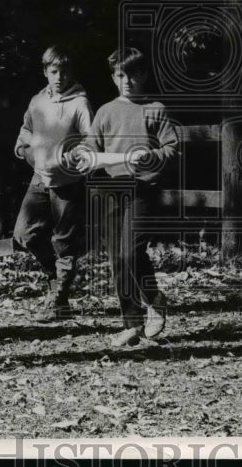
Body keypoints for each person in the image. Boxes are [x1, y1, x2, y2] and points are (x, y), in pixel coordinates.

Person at [74, 48, 179, 347]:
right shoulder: (106, 111)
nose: (128, 81)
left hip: (142, 190)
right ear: (113, 78)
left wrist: (152, 156)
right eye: (121, 75)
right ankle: (131, 324)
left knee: (132, 251)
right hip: (110, 189)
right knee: (118, 259)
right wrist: (82, 153)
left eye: (133, 74)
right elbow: (91, 144)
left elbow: (171, 149)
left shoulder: (156, 108)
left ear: (143, 74)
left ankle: (155, 298)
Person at [13, 45, 94, 322]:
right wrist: (24, 150)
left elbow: (90, 138)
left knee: (64, 241)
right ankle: (54, 278)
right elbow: (26, 130)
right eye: (54, 71)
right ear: (45, 72)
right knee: (24, 234)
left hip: (68, 181)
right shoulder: (37, 101)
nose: (59, 77)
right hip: (39, 177)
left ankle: (57, 299)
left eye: (64, 71)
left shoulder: (80, 103)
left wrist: (75, 152)